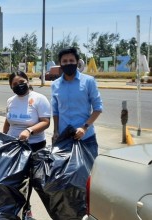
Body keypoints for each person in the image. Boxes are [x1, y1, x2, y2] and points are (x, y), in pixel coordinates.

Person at [51, 47, 103, 217]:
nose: (68, 64)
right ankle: (71, 213)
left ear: (77, 62)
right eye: (64, 61)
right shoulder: (55, 85)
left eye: (71, 61)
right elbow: (56, 111)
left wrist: (85, 127)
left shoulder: (88, 81)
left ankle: (90, 211)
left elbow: (97, 108)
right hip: (65, 140)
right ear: (60, 64)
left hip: (86, 139)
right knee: (66, 180)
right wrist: (55, 131)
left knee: (89, 180)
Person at [3, 71, 51, 220]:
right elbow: (8, 121)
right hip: (14, 146)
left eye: (22, 81)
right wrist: (4, 138)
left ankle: (26, 210)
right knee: (14, 179)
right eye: (15, 84)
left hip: (34, 146)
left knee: (29, 180)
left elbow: (45, 121)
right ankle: (15, 208)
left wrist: (29, 130)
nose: (19, 85)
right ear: (11, 86)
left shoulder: (39, 99)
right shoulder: (11, 100)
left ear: (28, 81)